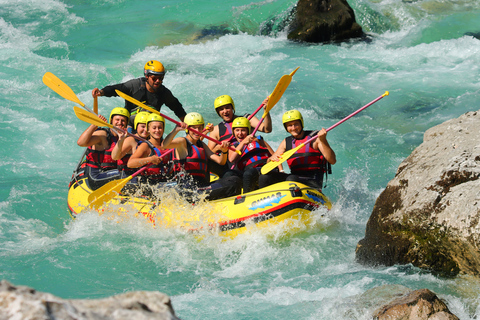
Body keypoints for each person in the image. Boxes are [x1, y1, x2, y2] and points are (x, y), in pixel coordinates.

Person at [162, 112, 242, 201]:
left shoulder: (201, 144)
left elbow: (220, 161)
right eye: (194, 128)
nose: (198, 130)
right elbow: (165, 145)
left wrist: (224, 151)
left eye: (200, 127)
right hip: (188, 189)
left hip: (202, 186)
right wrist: (175, 130)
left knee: (234, 179)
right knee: (233, 183)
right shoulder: (182, 142)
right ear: (188, 129)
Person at [91, 60, 187, 130]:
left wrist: (188, 125)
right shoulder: (135, 85)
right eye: (154, 78)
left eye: (161, 78)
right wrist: (101, 92)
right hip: (130, 125)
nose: (158, 81)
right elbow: (116, 89)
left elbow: (178, 108)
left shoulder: (164, 93)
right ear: (147, 76)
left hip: (149, 128)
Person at [264, 109, 336, 189]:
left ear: (301, 124)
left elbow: (332, 160)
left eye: (296, 124)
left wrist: (323, 140)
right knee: (265, 177)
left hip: (312, 181)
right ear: (286, 127)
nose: (293, 128)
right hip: (294, 179)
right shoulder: (286, 142)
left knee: (291, 179)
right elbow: (270, 161)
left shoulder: (315, 138)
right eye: (290, 125)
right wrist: (270, 160)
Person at [207, 94, 272, 176]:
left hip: (250, 158)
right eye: (221, 109)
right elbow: (210, 153)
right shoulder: (216, 130)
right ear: (218, 112)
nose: (225, 111)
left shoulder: (247, 119)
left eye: (227, 107)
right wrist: (220, 147)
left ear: (232, 108)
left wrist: (266, 111)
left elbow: (267, 129)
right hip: (232, 163)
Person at [223, 117, 280, 193]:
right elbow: (231, 159)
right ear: (233, 132)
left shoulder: (258, 140)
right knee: (228, 174)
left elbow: (274, 155)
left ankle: (246, 197)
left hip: (263, 168)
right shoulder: (234, 147)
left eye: (243, 130)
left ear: (248, 131)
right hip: (247, 171)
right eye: (237, 130)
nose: (240, 133)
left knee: (249, 173)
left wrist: (281, 170)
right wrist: (243, 143)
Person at [77, 107, 130, 189]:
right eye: (117, 120)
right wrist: (94, 125)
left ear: (126, 123)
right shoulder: (103, 135)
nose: (120, 123)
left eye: (123, 120)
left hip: (111, 176)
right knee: (122, 174)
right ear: (111, 121)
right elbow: (81, 142)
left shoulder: (126, 138)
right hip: (96, 177)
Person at [127, 113, 174, 187]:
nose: (157, 130)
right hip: (149, 186)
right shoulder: (145, 146)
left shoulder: (167, 146)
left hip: (164, 184)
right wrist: (150, 159)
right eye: (154, 128)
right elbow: (130, 163)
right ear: (148, 130)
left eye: (160, 127)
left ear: (163, 129)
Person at [111, 111, 150, 177]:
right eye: (142, 126)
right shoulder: (131, 140)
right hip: (127, 176)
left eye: (148, 127)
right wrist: (120, 140)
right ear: (136, 126)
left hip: (141, 176)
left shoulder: (150, 141)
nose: (145, 130)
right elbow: (115, 157)